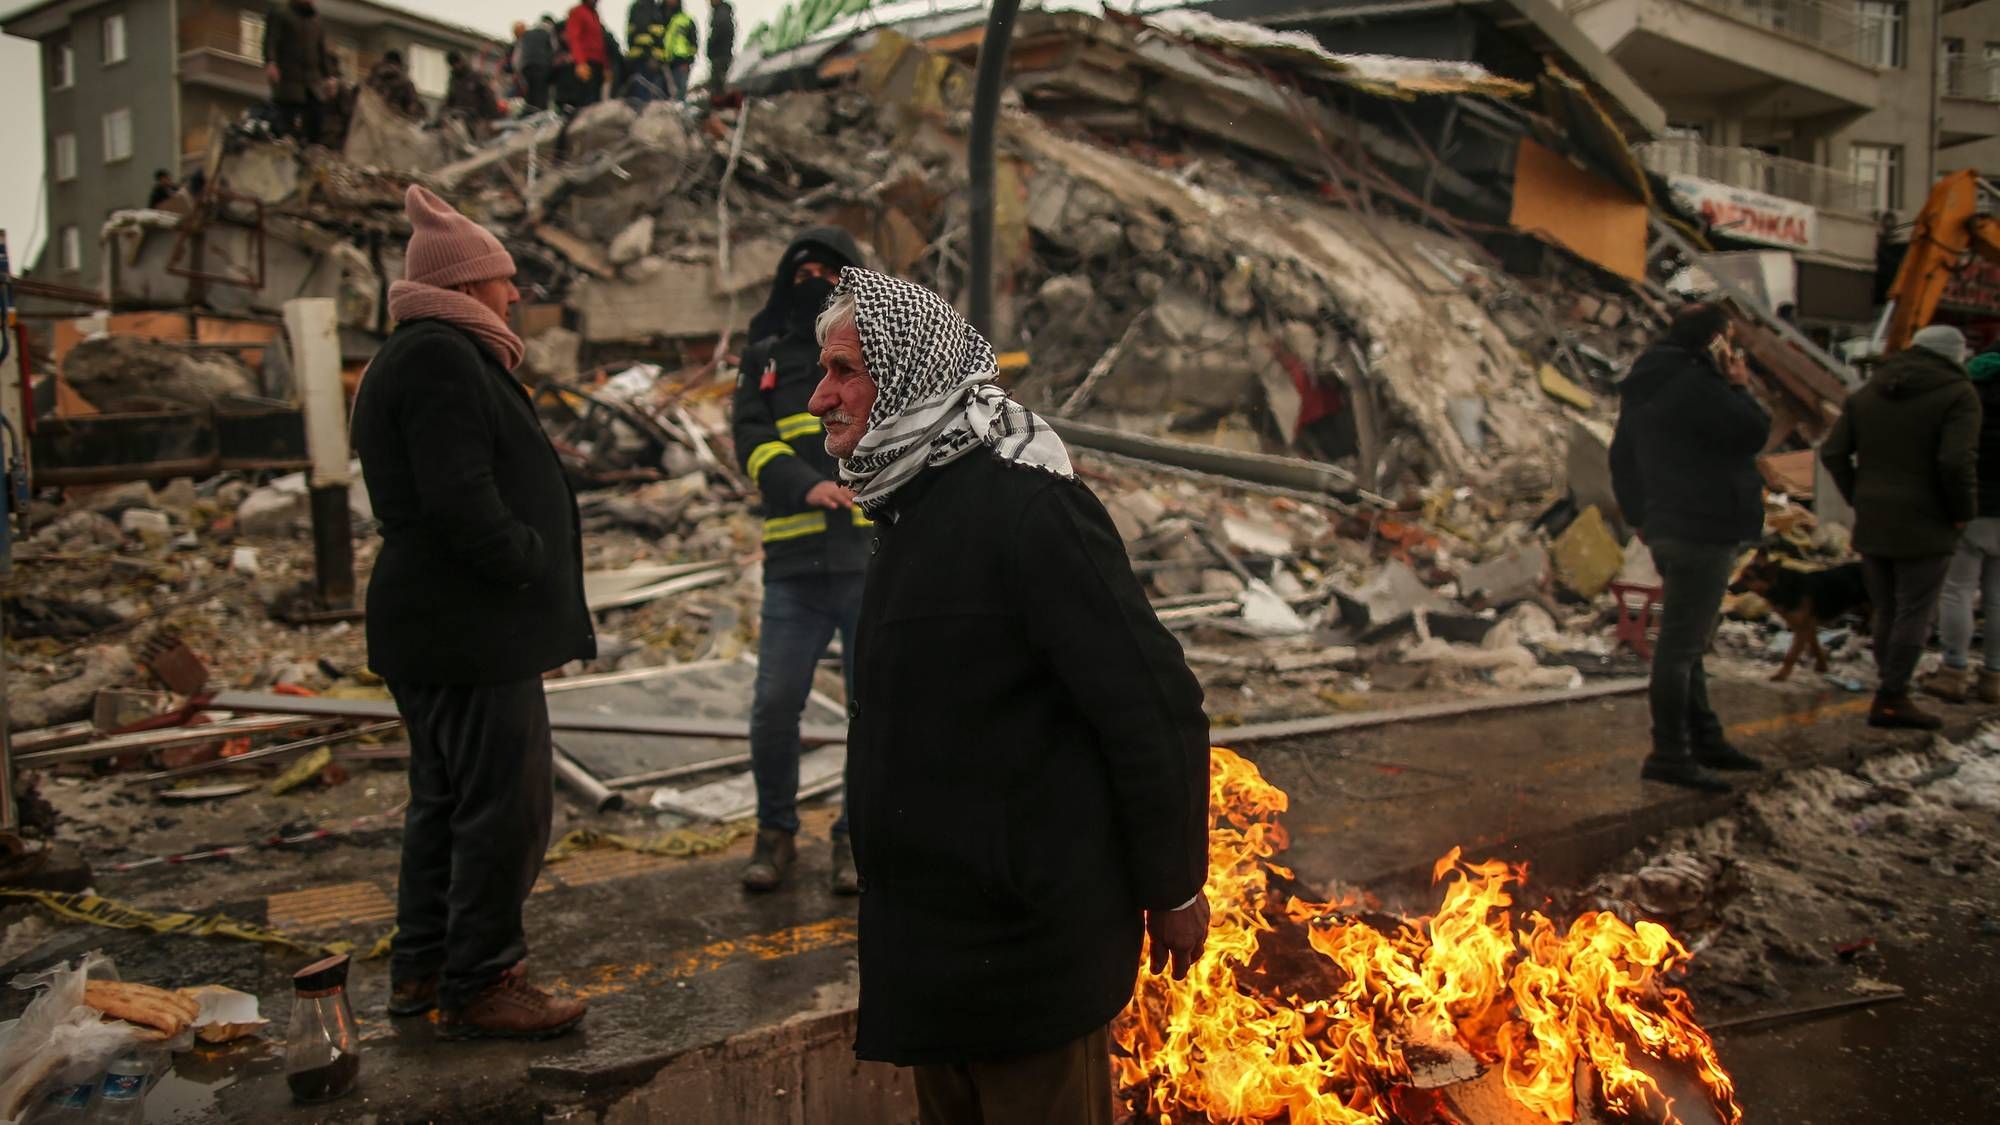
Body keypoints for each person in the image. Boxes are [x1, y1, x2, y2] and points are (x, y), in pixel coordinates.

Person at [811, 269, 1211, 1123]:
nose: (820, 398)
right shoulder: (904, 510)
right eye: (825, 373)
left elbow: (1152, 705)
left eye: (845, 371)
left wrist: (1174, 885)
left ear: (910, 375)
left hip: (1029, 958)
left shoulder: (1033, 512)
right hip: (932, 961)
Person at [350, 185, 595, 1040]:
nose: (515, 293)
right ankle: (484, 979)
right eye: (503, 278)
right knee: (503, 810)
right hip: (467, 631)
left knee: (446, 803)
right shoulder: (440, 356)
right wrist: (527, 559)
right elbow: (460, 497)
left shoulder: (426, 353)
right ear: (463, 285)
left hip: (446, 628)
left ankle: (424, 969)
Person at [731, 229, 867, 895]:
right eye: (803, 270)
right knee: (775, 705)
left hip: (867, 560)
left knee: (871, 710)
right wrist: (805, 484)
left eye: (829, 272)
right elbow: (750, 439)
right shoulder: (764, 356)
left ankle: (854, 838)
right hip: (794, 564)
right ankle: (775, 832)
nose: (815, 280)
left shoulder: (871, 352)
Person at [1609, 302, 1769, 793]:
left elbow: (1621, 456)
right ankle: (1670, 753)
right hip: (1705, 526)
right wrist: (1739, 384)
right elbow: (1753, 432)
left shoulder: (1646, 382)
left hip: (1668, 527)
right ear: (1715, 341)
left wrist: (1640, 517)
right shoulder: (1702, 386)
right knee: (1680, 647)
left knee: (1688, 639)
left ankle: (1704, 738)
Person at [1822, 324, 1983, 730]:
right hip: (1928, 520)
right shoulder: (1958, 394)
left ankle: (1891, 687)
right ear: (1955, 355)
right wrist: (1962, 509)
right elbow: (1955, 461)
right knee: (1916, 609)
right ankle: (1892, 697)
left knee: (1887, 609)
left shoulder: (1869, 392)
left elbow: (1833, 452)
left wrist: (1859, 495)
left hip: (1874, 518)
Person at [1922, 344, 2000, 705]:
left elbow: (1950, 456)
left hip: (1971, 509)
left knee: (1958, 591)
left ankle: (1953, 671)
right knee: (1998, 598)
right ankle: (1994, 677)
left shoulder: (1965, 393)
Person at [262, 0, 337, 145]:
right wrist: (271, 62)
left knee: (317, 119)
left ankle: (310, 148)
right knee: (286, 122)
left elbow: (322, 51)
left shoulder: (316, 20)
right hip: (288, 81)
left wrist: (329, 76)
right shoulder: (281, 13)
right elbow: (271, 40)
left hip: (312, 83)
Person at [563, 0, 609, 108]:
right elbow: (574, 38)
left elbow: (600, 43)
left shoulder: (595, 15)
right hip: (586, 64)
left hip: (598, 64)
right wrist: (580, 63)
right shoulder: (578, 12)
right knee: (586, 101)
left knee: (596, 100)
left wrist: (606, 67)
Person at [441, 52, 500, 134]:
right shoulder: (453, 81)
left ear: (461, 61)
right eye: (453, 64)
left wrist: (493, 118)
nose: (456, 66)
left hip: (477, 118)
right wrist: (441, 114)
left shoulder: (475, 77)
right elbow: (449, 100)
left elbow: (488, 97)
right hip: (459, 118)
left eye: (457, 62)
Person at [624, 0, 669, 102]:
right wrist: (650, 56)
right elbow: (641, 32)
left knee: (652, 91)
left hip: (653, 59)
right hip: (643, 59)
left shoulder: (656, 8)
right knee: (642, 92)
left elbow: (660, 37)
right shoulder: (640, 7)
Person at [365, 50, 424, 121]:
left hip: (373, 118)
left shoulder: (373, 77)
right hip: (392, 121)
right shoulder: (406, 82)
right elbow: (413, 108)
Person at [516, 15, 558, 113]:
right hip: (542, 66)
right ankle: (540, 114)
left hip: (526, 66)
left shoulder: (527, 33)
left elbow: (517, 56)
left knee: (530, 95)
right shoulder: (549, 32)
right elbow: (555, 48)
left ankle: (529, 114)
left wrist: (520, 71)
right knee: (541, 94)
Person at [663, 0, 699, 99]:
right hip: (664, 62)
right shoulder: (660, 17)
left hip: (681, 62)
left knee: (679, 94)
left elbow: (694, 44)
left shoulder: (686, 20)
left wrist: (689, 61)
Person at [707, 0, 735, 101]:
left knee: (719, 84)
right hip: (721, 54)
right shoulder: (720, 12)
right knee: (719, 83)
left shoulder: (721, 13)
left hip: (720, 55)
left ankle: (720, 104)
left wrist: (711, 45)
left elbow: (720, 32)